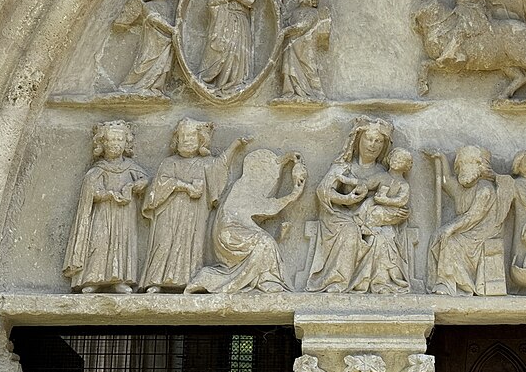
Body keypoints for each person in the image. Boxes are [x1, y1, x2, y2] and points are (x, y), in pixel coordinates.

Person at [139, 119, 249, 292]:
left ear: (201, 139)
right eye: (182, 136)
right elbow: (158, 186)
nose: (186, 139)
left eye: (191, 135)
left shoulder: (205, 163)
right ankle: (155, 281)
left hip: (194, 215)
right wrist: (183, 186)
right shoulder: (169, 163)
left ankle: (187, 280)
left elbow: (220, 167)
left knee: (192, 245)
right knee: (164, 242)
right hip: (168, 212)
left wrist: (235, 145)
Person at [186, 150, 306, 294]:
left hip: (237, 230)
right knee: (264, 242)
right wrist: (294, 194)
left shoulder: (246, 186)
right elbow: (268, 207)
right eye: (269, 174)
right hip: (231, 234)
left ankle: (264, 278)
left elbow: (273, 167)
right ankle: (265, 280)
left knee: (266, 242)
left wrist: (287, 158)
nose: (272, 180)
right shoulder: (243, 187)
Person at [306, 117, 401, 292]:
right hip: (340, 217)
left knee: (384, 236)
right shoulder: (343, 166)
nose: (373, 145)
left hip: (369, 219)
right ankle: (337, 281)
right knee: (350, 231)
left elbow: (390, 200)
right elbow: (324, 191)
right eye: (369, 139)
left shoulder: (382, 173)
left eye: (378, 141)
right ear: (358, 140)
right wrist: (346, 199)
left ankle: (378, 283)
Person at [63, 121, 148, 293]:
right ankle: (92, 278)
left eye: (119, 139)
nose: (115, 144)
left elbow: (144, 180)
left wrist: (136, 185)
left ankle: (120, 280)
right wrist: (108, 194)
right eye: (111, 140)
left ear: (126, 143)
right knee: (99, 243)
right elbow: (91, 192)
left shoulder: (131, 168)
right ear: (102, 143)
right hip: (102, 214)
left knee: (122, 243)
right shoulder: (98, 170)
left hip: (124, 215)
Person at [427, 145, 517, 296]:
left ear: (479, 166)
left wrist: (451, 228)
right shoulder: (461, 189)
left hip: (481, 234)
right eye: (460, 164)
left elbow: (473, 217)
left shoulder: (485, 189)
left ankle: (456, 284)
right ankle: (443, 280)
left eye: (467, 163)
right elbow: (446, 182)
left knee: (451, 242)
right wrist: (441, 158)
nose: (463, 167)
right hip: (467, 230)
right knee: (436, 237)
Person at [350, 147, 412, 294]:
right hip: (378, 210)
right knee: (369, 203)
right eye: (395, 157)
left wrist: (386, 200)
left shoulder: (403, 184)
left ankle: (384, 281)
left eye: (402, 160)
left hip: (391, 212)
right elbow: (367, 183)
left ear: (407, 165)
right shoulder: (381, 177)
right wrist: (353, 183)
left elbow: (401, 199)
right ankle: (364, 225)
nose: (397, 161)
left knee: (377, 215)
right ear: (389, 159)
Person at [198, 0, 255, 92]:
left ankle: (236, 81)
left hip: (241, 21)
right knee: (224, 50)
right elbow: (214, 2)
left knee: (238, 50)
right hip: (224, 21)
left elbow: (251, 1)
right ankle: (217, 80)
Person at [113, 0, 174, 96]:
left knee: (164, 63)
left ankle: (156, 87)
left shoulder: (169, 7)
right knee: (146, 61)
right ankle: (130, 85)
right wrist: (172, 29)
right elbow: (154, 19)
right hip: (154, 39)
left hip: (166, 40)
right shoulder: (148, 6)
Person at [280, 0, 331, 101]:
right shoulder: (294, 12)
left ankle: (316, 94)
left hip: (305, 44)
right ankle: (290, 92)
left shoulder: (312, 12)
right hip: (291, 43)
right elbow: (284, 20)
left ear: (313, 0)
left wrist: (288, 29)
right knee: (288, 66)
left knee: (309, 66)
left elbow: (304, 25)